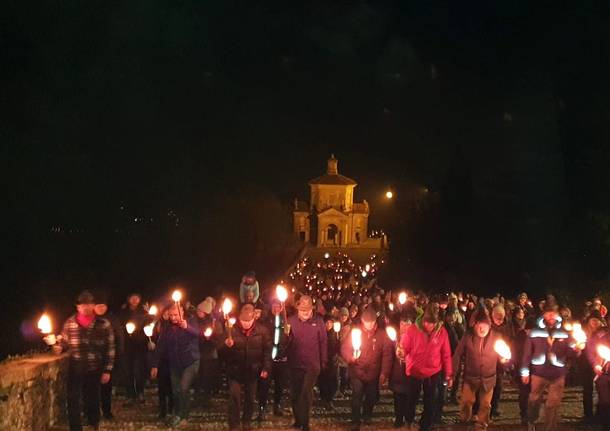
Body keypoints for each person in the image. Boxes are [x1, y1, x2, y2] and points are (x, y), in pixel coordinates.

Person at [52, 290, 115, 431]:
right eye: (82, 305)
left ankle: (94, 425)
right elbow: (64, 342)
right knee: (73, 399)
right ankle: (75, 428)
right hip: (76, 366)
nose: (85, 307)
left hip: (95, 367)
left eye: (89, 304)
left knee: (92, 398)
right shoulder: (69, 323)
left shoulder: (103, 324)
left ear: (93, 305)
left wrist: (107, 370)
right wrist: (58, 347)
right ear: (77, 307)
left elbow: (110, 348)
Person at [521, 299, 582, 431]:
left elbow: (570, 351)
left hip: (558, 373)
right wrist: (525, 372)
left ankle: (550, 428)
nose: (550, 317)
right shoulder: (534, 332)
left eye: (553, 313)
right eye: (548, 314)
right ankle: (531, 420)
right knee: (534, 400)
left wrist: (577, 350)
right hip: (539, 372)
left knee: (552, 404)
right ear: (543, 315)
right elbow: (526, 353)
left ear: (557, 314)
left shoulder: (564, 332)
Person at [452, 308, 508, 430]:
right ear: (475, 325)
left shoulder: (496, 337)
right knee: (466, 401)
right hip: (470, 377)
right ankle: (464, 419)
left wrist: (504, 360)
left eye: (485, 326)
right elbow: (457, 354)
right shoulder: (468, 336)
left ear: (489, 326)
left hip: (488, 378)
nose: (482, 329)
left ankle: (482, 425)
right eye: (479, 326)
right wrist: (452, 374)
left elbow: (504, 355)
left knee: (485, 405)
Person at [400, 304, 453, 431]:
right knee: (412, 398)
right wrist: (401, 352)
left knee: (430, 401)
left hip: (433, 371)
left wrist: (449, 374)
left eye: (432, 323)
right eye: (426, 322)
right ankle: (409, 420)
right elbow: (404, 347)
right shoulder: (413, 330)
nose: (428, 326)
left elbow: (446, 354)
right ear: (423, 319)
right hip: (415, 370)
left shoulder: (442, 333)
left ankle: (425, 425)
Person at [221, 304, 272, 431]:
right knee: (234, 396)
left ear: (254, 318)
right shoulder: (231, 330)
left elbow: (267, 352)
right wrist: (226, 346)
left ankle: (246, 421)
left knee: (250, 398)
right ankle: (234, 424)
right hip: (235, 370)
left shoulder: (262, 331)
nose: (246, 324)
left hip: (253, 370)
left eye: (249, 321)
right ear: (239, 318)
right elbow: (221, 352)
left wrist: (266, 368)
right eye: (243, 321)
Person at [341, 308, 393, 431]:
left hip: (373, 373)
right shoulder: (356, 333)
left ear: (375, 321)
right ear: (362, 321)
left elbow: (387, 355)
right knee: (357, 395)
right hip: (357, 370)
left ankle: (367, 414)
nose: (369, 325)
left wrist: (384, 373)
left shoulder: (381, 335)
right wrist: (351, 358)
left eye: (371, 322)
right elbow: (345, 348)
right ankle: (355, 419)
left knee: (371, 396)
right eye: (366, 322)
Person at [150, 303, 200, 427]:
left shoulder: (191, 321)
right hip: (175, 364)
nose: (173, 318)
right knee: (176, 390)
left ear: (182, 312)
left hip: (190, 362)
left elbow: (199, 334)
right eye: (171, 315)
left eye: (176, 315)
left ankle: (184, 416)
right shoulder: (167, 328)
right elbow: (160, 347)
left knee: (183, 388)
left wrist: (187, 327)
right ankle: (177, 414)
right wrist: (154, 365)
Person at [287, 295, 328, 431]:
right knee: (295, 393)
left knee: (306, 392)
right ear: (298, 309)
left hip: (312, 365)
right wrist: (285, 336)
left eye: (307, 310)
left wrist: (323, 361)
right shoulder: (290, 321)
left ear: (312, 309)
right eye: (302, 310)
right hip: (295, 364)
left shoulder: (319, 322)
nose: (305, 312)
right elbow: (284, 345)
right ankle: (298, 419)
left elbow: (323, 342)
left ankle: (305, 422)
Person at [93, 292, 124, 420]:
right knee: (92, 388)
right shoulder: (89, 320)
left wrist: (118, 356)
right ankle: (92, 412)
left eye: (103, 306)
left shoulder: (112, 319)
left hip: (108, 358)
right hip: (92, 360)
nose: (100, 308)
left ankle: (107, 411)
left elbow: (119, 338)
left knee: (106, 387)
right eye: (98, 305)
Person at [257, 299, 290, 417]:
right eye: (274, 306)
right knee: (264, 384)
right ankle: (262, 407)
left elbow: (289, 340)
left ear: (281, 308)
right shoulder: (266, 320)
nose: (276, 309)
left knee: (280, 385)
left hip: (281, 359)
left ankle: (277, 405)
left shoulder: (285, 321)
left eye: (278, 307)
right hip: (268, 359)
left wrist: (288, 336)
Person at [120, 293, 148, 405]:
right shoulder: (123, 311)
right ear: (128, 299)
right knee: (128, 371)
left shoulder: (144, 311)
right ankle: (130, 395)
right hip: (127, 345)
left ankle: (140, 392)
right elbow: (120, 326)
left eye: (137, 297)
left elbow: (150, 325)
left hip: (141, 344)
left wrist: (149, 315)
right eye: (132, 297)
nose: (135, 300)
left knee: (140, 370)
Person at [195, 298, 223, 404]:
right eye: (198, 310)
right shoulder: (195, 321)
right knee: (198, 376)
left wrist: (209, 339)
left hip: (209, 354)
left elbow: (219, 339)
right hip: (197, 352)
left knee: (207, 376)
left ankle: (206, 398)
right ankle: (198, 396)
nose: (198, 313)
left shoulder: (214, 324)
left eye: (200, 311)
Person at [584, 309, 608, 425]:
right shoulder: (600, 333)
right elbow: (591, 350)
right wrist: (596, 364)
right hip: (603, 372)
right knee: (604, 398)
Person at [390, 313, 413, 428]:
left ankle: (408, 418)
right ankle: (399, 418)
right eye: (402, 324)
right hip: (397, 373)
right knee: (397, 398)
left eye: (407, 325)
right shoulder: (394, 337)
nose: (404, 327)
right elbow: (388, 355)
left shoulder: (414, 338)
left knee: (408, 398)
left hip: (410, 374)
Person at [319, 315, 340, 411]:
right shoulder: (321, 334)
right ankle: (324, 398)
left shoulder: (335, 334)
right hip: (323, 360)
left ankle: (329, 399)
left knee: (332, 381)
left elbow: (338, 348)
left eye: (330, 323)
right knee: (323, 380)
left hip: (332, 361)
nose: (328, 325)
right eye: (326, 323)